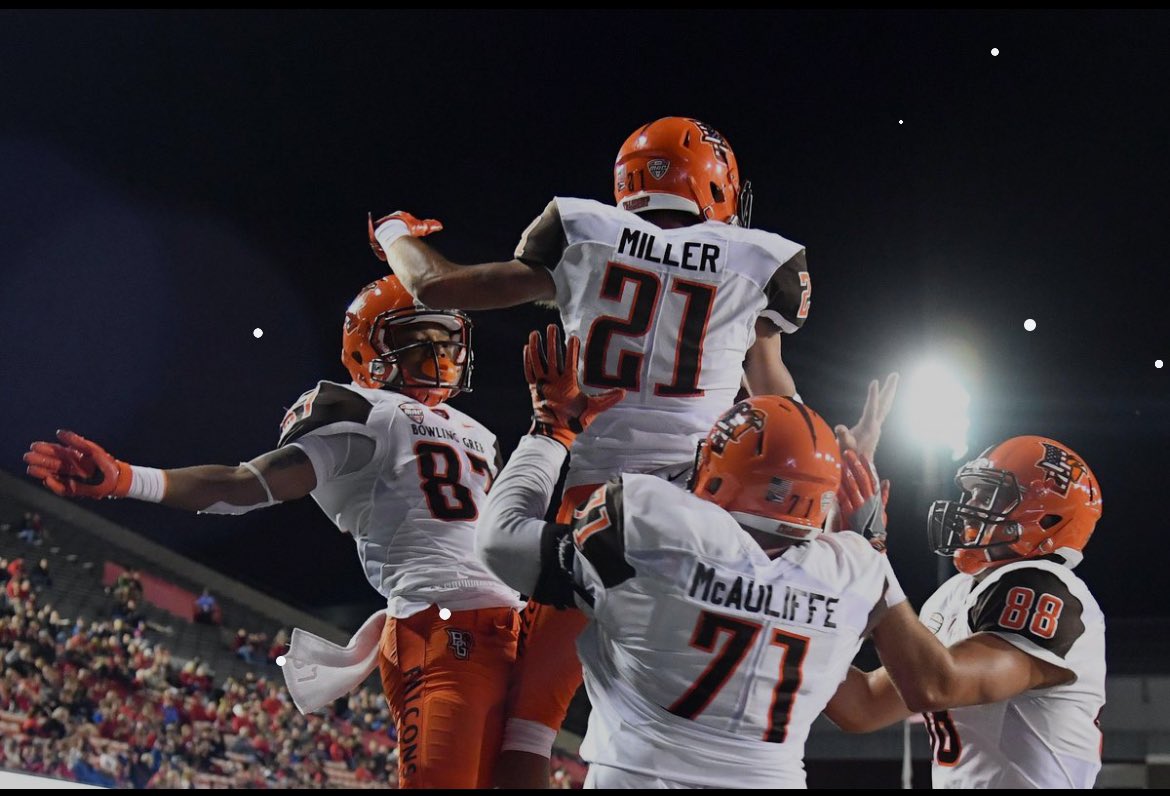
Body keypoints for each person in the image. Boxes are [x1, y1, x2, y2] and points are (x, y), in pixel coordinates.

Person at [370, 116, 895, 784]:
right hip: (706, 512)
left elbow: (434, 286)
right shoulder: (760, 262)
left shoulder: (584, 231)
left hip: (594, 512)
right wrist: (826, 456)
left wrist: (394, 230)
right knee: (721, 696)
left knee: (531, 724)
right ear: (717, 182)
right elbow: (773, 395)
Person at [23, 275, 522, 789]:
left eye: (447, 339)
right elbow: (245, 484)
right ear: (369, 347)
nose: (439, 352)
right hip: (438, 626)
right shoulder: (366, 411)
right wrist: (131, 479)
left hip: (512, 628)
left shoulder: (479, 433)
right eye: (421, 335)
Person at [476, 327, 913, 788]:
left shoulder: (654, 534)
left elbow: (497, 540)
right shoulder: (853, 572)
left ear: (721, 474)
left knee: (529, 721)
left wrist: (550, 432)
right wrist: (861, 524)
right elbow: (808, 565)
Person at [823, 436, 1106, 788]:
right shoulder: (954, 594)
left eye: (991, 495)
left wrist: (869, 561)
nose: (971, 504)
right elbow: (861, 706)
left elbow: (938, 686)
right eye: (972, 493)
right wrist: (787, 618)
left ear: (1046, 516)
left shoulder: (1046, 588)